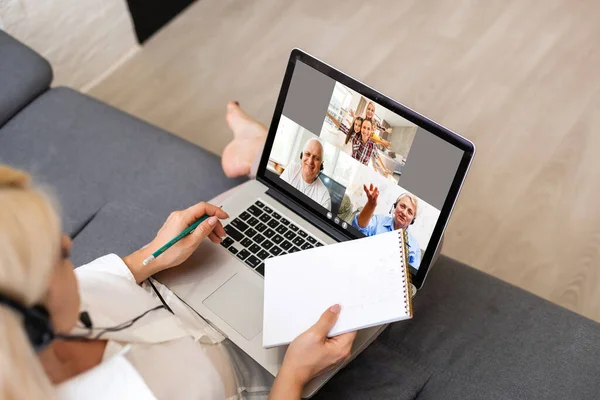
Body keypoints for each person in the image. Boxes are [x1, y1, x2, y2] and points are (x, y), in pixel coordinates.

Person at [0, 165, 356, 399]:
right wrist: (295, 372)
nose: (68, 243)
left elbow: (109, 276)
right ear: (32, 321)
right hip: (254, 374)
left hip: (181, 294)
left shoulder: (31, 313)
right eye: (56, 254)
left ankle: (252, 151)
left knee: (260, 194)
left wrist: (155, 251)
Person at [352, 184, 422, 269]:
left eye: (410, 212)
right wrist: (371, 205)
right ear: (395, 207)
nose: (404, 213)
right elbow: (358, 228)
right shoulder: (378, 221)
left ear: (412, 220)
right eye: (402, 206)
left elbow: (411, 278)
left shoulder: (414, 247)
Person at [279, 138, 332, 210]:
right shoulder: (292, 168)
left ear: (321, 165)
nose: (310, 161)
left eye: (316, 158)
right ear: (302, 156)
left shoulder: (324, 197)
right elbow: (278, 195)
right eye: (307, 154)